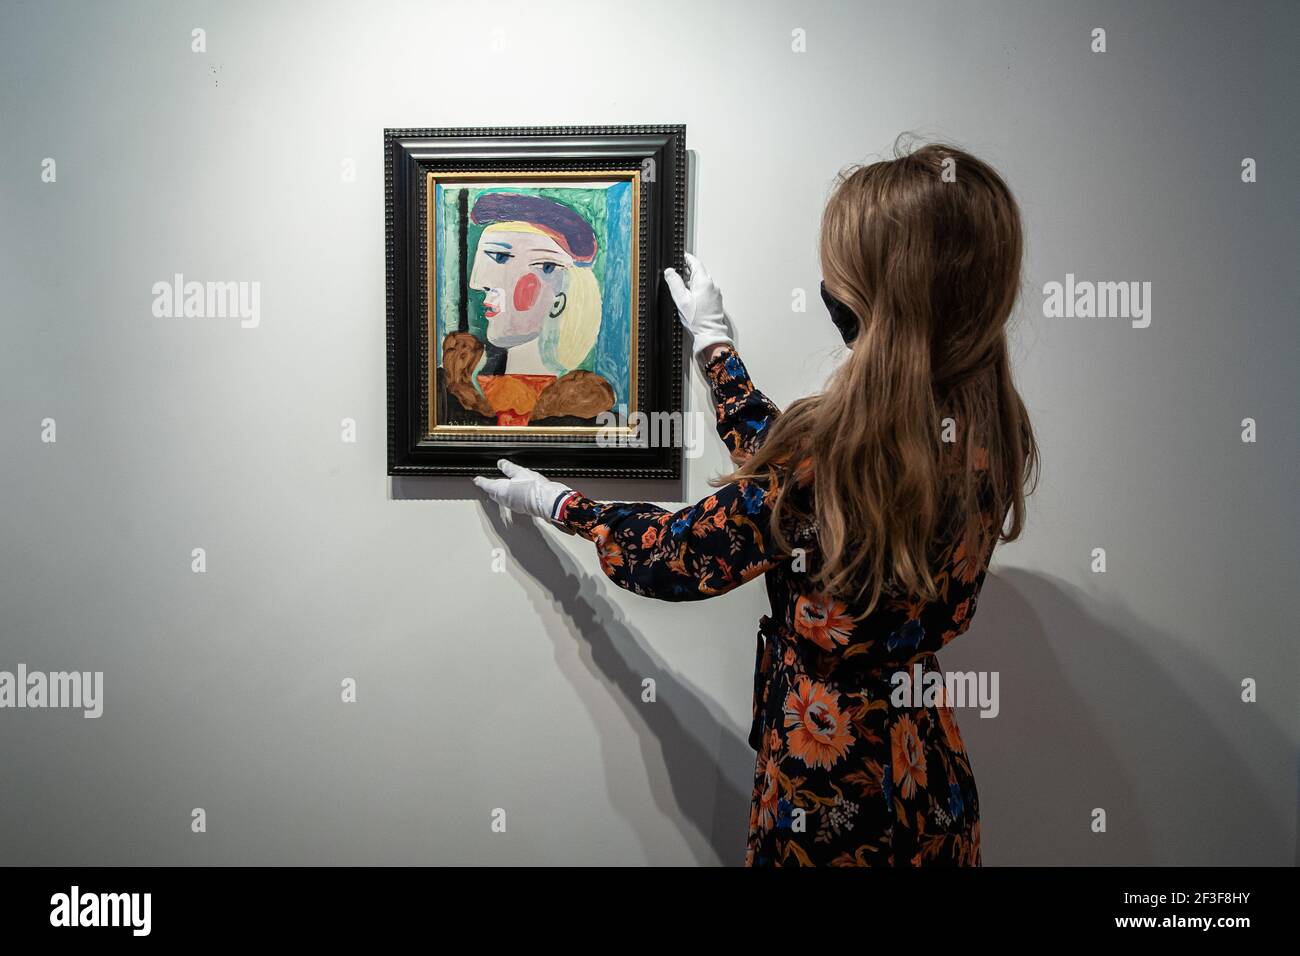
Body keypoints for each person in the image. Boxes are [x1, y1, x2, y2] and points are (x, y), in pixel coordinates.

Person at [473, 142, 1039, 867]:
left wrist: (558, 503)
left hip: (832, 800)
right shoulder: (988, 423)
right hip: (927, 783)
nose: (826, 281)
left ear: (880, 297)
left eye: (840, 270)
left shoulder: (831, 460)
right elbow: (795, 483)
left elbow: (671, 557)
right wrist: (715, 348)